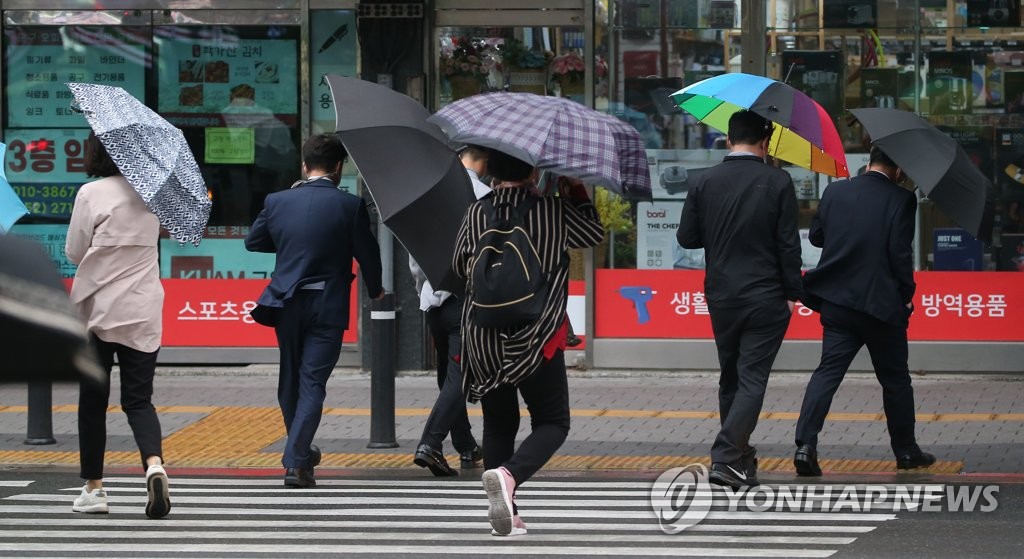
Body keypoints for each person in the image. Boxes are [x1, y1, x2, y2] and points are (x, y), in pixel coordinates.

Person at [453, 151, 604, 536]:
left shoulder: (476, 212)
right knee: (553, 421)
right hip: (535, 335)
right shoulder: (552, 212)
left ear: (491, 171)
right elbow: (592, 236)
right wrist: (577, 193)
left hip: (483, 334)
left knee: (500, 422)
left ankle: (508, 512)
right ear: (535, 170)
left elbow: (457, 265)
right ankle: (509, 475)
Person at [245, 133, 384, 488]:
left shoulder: (277, 201)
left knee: (289, 379)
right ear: (339, 168)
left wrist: (290, 238)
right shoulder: (350, 206)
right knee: (313, 382)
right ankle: (296, 459)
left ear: (304, 166)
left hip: (286, 303)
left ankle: (301, 454)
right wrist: (376, 289)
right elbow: (368, 254)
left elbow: (254, 241)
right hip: (328, 304)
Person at [676, 109, 802, 490]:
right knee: (752, 379)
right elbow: (788, 245)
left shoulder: (705, 181)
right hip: (766, 295)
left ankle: (742, 461)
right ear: (765, 143)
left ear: (729, 140)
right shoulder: (777, 181)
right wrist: (794, 292)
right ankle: (727, 455)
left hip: (722, 295)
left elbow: (687, 238)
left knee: (730, 376)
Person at [794, 146, 935, 476]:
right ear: (898, 168)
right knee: (895, 380)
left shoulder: (835, 190)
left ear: (870, 161)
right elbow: (899, 254)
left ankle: (805, 445)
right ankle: (906, 451)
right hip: (881, 306)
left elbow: (816, 237)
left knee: (827, 372)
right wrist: (906, 295)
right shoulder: (901, 200)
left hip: (838, 301)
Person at [65, 131, 170, 518]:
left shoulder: (91, 194)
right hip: (142, 309)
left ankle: (94, 489)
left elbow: (75, 251)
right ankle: (155, 464)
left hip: (97, 312)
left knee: (93, 402)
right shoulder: (154, 193)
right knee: (139, 400)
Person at [411, 145, 490, 477]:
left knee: (448, 374)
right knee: (461, 375)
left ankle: (467, 446)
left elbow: (416, 257)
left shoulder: (430, 194)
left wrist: (425, 291)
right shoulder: (485, 197)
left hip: (433, 300)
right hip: (465, 300)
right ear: (483, 159)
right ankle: (430, 443)